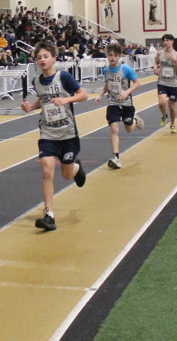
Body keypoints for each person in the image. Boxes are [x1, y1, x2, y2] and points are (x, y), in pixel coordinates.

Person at [20, 41, 87, 232]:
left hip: (67, 133)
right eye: (39, 57)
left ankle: (76, 168)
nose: (42, 60)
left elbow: (83, 95)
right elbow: (43, 101)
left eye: (45, 56)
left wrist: (66, 99)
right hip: (48, 133)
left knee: (66, 175)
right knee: (47, 171)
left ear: (54, 58)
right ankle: (49, 215)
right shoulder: (37, 81)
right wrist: (31, 107)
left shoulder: (63, 77)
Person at [94, 42, 145, 169]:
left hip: (126, 103)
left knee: (129, 129)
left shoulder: (125, 69)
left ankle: (134, 120)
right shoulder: (106, 70)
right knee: (114, 128)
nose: (112, 58)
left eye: (115, 55)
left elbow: (138, 83)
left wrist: (126, 92)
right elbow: (108, 84)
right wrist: (100, 94)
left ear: (119, 56)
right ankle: (116, 157)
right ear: (107, 56)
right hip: (113, 103)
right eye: (110, 55)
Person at [154, 33, 177, 134]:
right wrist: (155, 69)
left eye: (167, 40)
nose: (165, 42)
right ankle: (164, 115)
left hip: (173, 83)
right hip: (162, 82)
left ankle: (172, 123)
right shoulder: (160, 53)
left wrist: (176, 61)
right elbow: (156, 62)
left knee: (171, 106)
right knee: (161, 102)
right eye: (164, 40)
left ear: (172, 42)